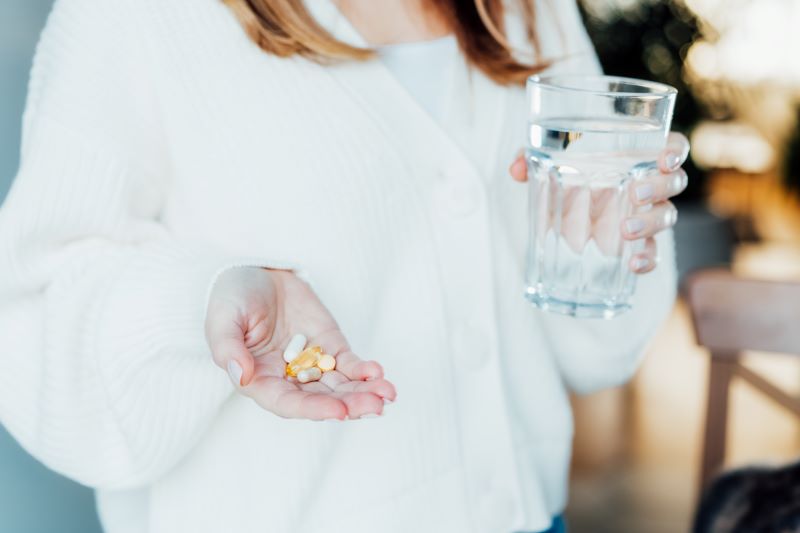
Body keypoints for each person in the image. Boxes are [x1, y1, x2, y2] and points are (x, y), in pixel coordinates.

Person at [0, 0, 689, 532]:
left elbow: (589, 350)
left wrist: (605, 245)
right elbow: (35, 310)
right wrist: (200, 299)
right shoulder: (137, 16)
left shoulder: (525, 9)